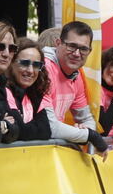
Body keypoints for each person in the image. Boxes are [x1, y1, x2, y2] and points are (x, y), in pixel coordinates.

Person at [41, 21, 106, 150]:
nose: (77, 53)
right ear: (58, 43)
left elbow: (87, 119)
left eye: (83, 49)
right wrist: (88, 135)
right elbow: (49, 126)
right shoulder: (44, 68)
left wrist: (86, 131)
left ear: (89, 51)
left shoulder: (76, 75)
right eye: (71, 46)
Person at [6, 38, 53, 142]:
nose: (30, 71)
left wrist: (24, 127)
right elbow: (21, 132)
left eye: (36, 65)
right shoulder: (4, 90)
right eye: (24, 63)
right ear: (11, 63)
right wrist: (33, 126)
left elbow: (46, 131)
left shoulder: (35, 92)